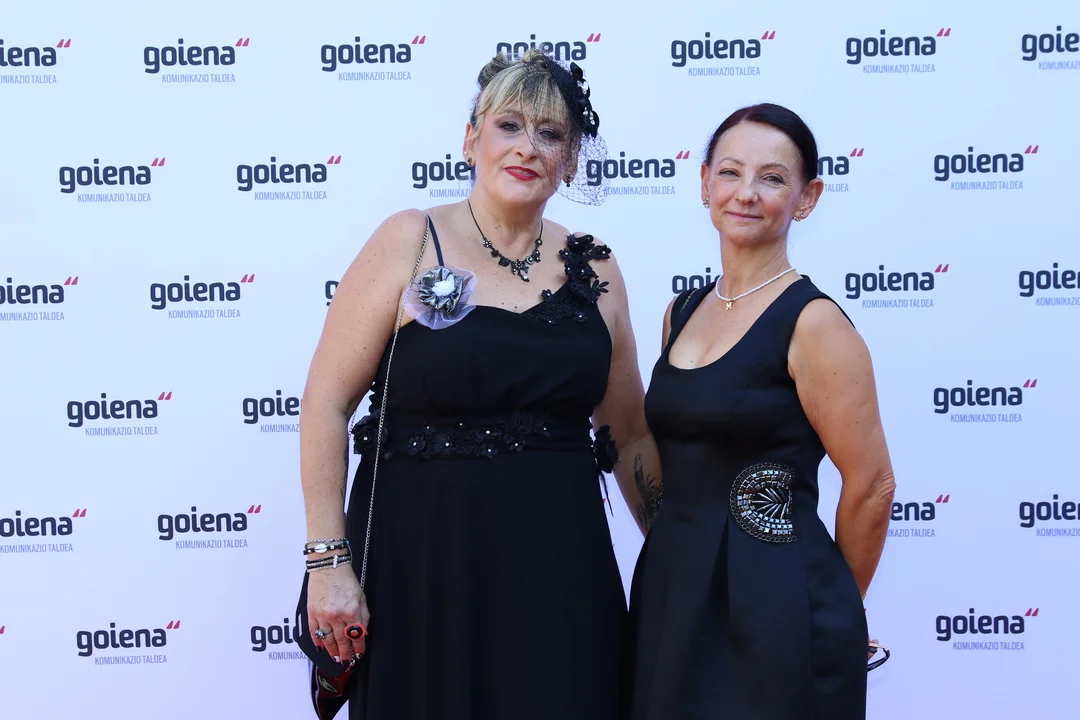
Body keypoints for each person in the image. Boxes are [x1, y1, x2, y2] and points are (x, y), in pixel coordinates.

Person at [296, 48, 662, 720]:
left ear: (571, 160)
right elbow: (326, 402)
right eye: (509, 126)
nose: (527, 147)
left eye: (550, 134)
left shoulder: (597, 267)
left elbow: (630, 433)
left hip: (561, 574)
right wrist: (328, 562)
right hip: (423, 571)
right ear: (471, 139)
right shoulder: (410, 240)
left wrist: (677, 558)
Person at [628, 103, 895, 720]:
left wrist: (829, 608)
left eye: (772, 178)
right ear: (704, 183)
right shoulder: (681, 312)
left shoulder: (815, 323)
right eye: (730, 172)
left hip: (775, 601)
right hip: (672, 589)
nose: (746, 193)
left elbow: (873, 484)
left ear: (807, 198)